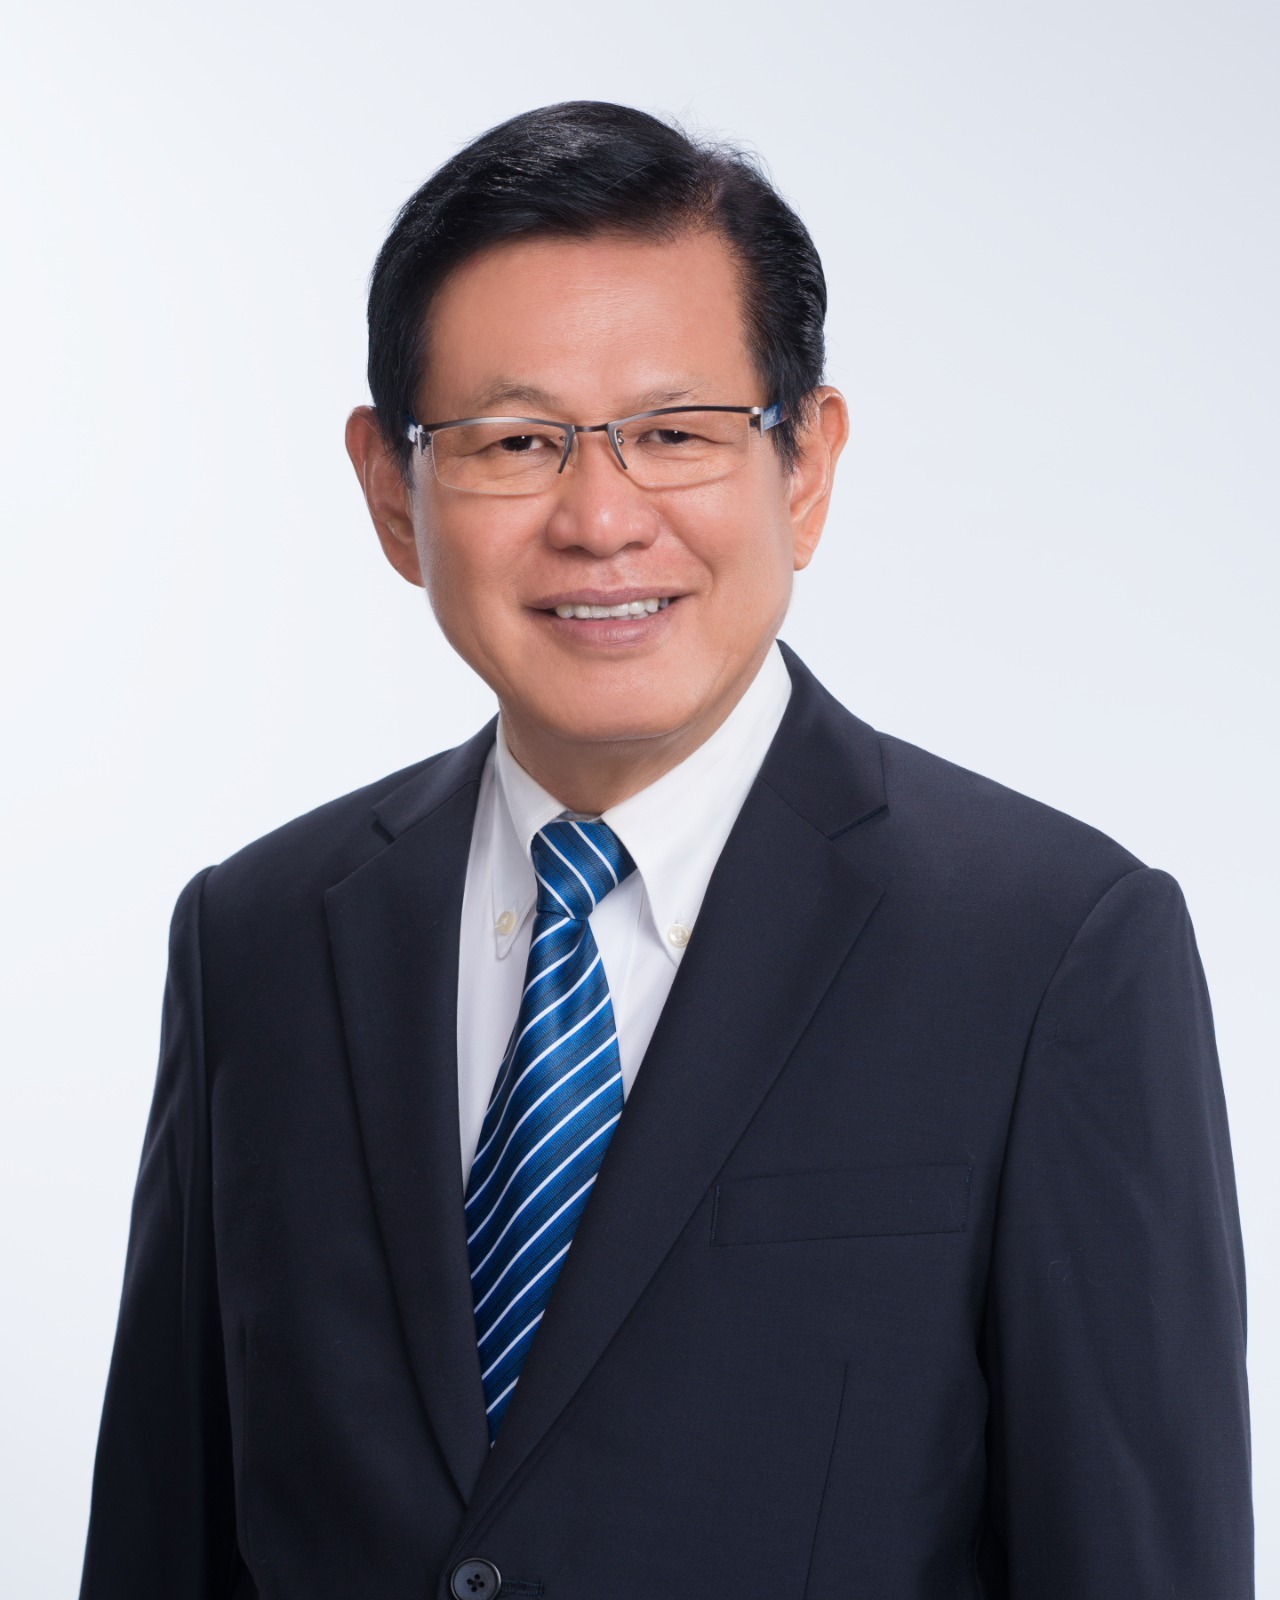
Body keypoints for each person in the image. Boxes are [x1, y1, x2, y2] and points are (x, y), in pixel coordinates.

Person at [79, 101, 1253, 1599]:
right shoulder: (255, 937)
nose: (599, 518)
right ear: (390, 492)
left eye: (675, 435)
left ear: (806, 466)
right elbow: (164, 1543)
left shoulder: (1049, 952)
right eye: (515, 442)